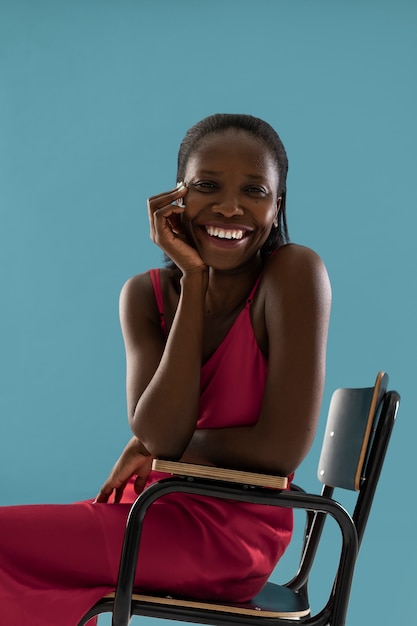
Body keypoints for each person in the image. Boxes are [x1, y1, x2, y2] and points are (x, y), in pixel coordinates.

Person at [0, 113, 331, 626]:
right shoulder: (144, 296)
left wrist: (153, 451)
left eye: (255, 190)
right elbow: (161, 431)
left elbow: (280, 449)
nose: (229, 206)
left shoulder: (293, 274)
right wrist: (194, 279)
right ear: (176, 200)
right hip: (151, 507)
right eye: (207, 186)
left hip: (228, 536)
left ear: (277, 204)